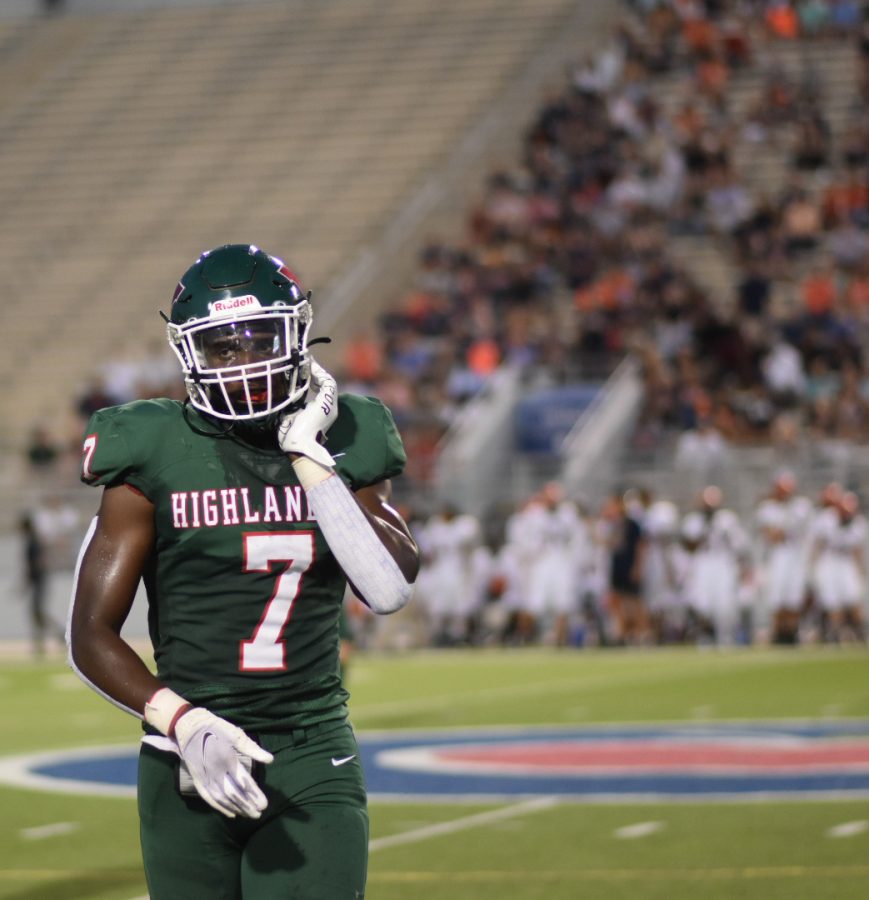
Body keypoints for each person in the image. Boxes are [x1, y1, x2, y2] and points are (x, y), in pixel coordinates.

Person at [67, 244, 420, 900]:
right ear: (187, 354)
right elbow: (89, 634)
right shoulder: (152, 443)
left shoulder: (347, 430)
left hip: (311, 747)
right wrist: (180, 720)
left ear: (296, 335)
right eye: (221, 348)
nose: (243, 364)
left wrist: (309, 456)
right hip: (185, 752)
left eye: (258, 341)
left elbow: (387, 586)